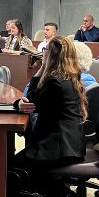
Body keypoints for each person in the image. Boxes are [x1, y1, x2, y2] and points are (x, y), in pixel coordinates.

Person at [14, 36, 86, 173]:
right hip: (71, 144)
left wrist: (41, 68)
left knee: (11, 169)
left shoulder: (54, 82)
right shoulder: (70, 75)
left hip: (56, 149)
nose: (43, 52)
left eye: (45, 49)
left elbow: (30, 103)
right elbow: (35, 101)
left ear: (51, 55)